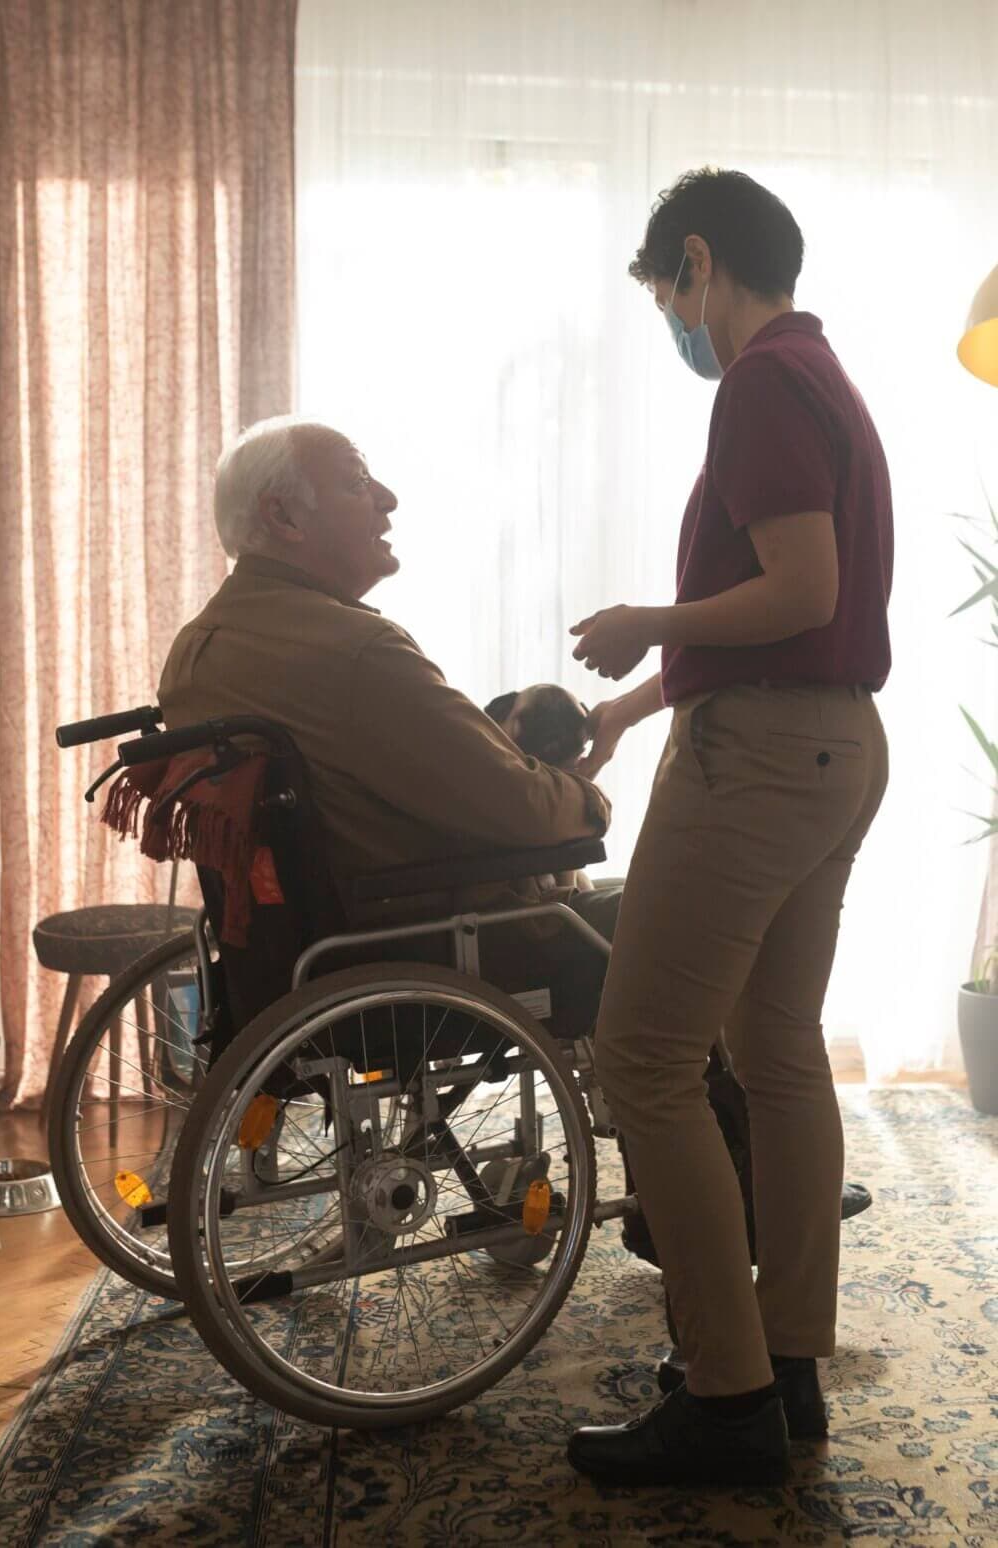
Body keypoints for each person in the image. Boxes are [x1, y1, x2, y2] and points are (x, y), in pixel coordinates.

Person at [566, 168, 892, 1488]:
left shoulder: (761, 380)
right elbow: (803, 609)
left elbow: (795, 588)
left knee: (640, 1059)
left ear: (700, 265)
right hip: (830, 743)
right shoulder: (823, 375)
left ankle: (728, 1392)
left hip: (761, 757)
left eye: (667, 297)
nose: (674, 324)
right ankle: (788, 1362)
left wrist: (649, 623)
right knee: (774, 1048)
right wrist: (645, 701)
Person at [157, 416, 619, 1003]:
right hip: (434, 949)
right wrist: (590, 797)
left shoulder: (193, 655)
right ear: (284, 517)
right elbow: (519, 807)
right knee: (690, 905)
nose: (388, 500)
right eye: (357, 483)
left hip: (296, 958)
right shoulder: (355, 651)